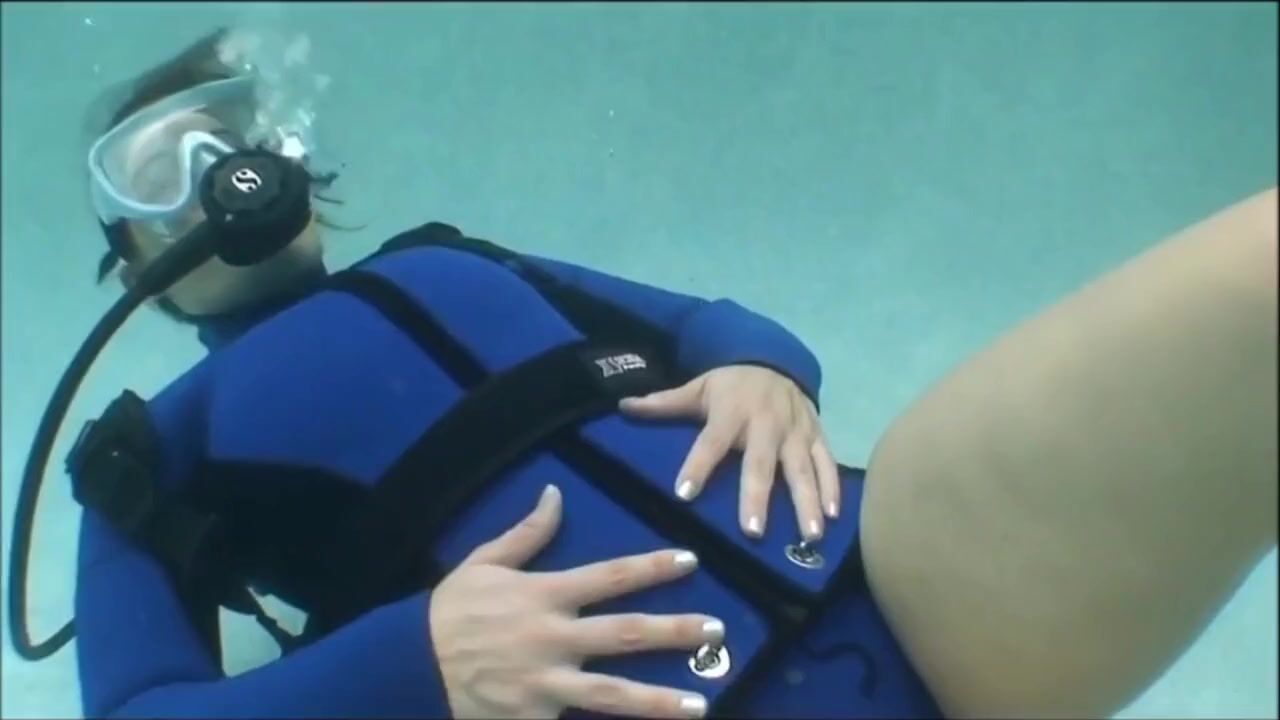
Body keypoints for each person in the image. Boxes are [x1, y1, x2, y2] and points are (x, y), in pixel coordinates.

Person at [28, 27, 1277, 720]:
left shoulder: (447, 258)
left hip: (902, 575)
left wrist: (760, 370)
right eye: (156, 171)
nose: (218, 176)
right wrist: (419, 661)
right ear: (128, 255)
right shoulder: (146, 457)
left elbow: (704, 323)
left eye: (228, 135)